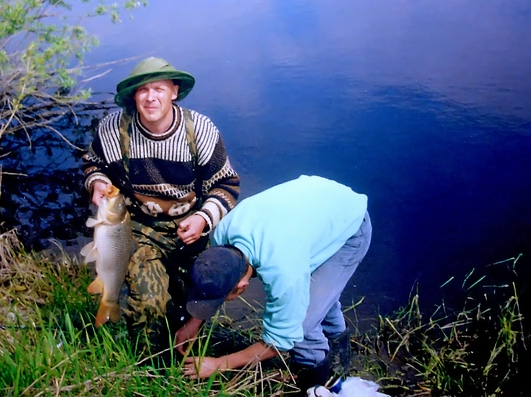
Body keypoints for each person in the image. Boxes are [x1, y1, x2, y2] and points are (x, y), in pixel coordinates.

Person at [82, 56, 240, 343]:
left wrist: (203, 218)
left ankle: (185, 339)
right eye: (143, 90)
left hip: (191, 228)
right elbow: (94, 165)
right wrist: (98, 182)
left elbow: (227, 185)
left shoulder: (201, 131)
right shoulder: (112, 130)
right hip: (138, 228)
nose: (150, 98)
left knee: (192, 299)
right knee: (149, 304)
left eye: (159, 89)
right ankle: (146, 365)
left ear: (174, 92)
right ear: (133, 96)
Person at [174, 175, 371, 389]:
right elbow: (214, 281)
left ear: (242, 287)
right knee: (318, 300)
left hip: (349, 223)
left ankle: (319, 381)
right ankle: (337, 357)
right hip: (313, 208)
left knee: (303, 325)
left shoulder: (283, 272)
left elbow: (280, 341)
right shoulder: (222, 236)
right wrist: (193, 324)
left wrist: (220, 364)